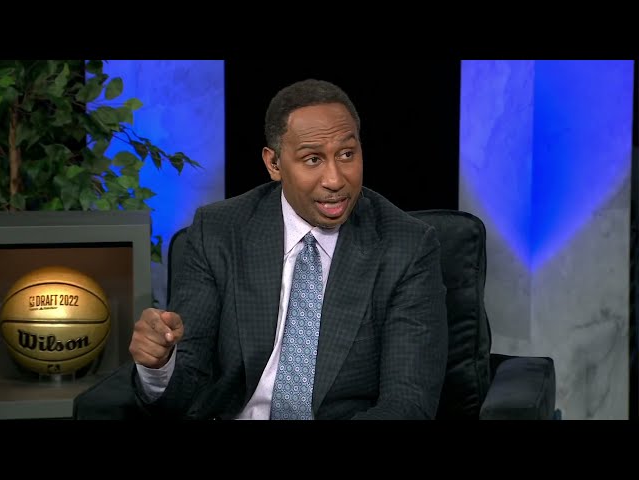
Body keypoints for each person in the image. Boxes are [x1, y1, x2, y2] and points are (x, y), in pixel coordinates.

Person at [128, 78, 448, 420]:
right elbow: (187, 383)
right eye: (312, 159)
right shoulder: (220, 231)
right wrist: (160, 364)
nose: (335, 179)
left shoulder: (406, 247)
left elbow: (408, 402)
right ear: (274, 164)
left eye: (346, 154)